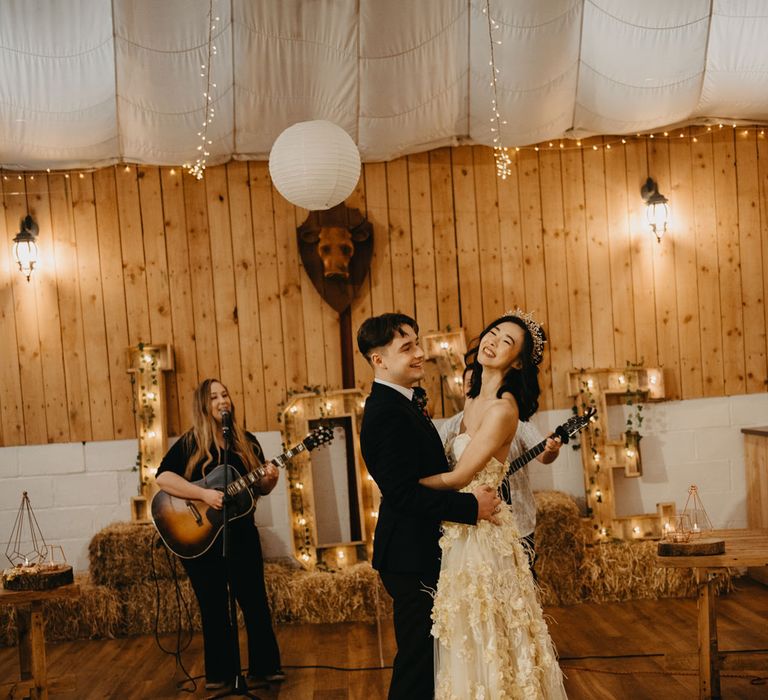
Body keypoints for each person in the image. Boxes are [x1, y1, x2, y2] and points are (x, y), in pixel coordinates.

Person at [420, 310, 567, 698]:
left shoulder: (504, 408)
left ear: (517, 361)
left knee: (489, 633)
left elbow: (460, 477)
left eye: (507, 342)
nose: (493, 341)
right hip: (459, 533)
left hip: (485, 539)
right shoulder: (472, 400)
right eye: (493, 332)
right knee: (465, 631)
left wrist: (406, 487)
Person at [357, 313, 501, 700]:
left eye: (418, 343)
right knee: (418, 663)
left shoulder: (404, 403)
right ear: (379, 360)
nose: (421, 354)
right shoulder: (384, 413)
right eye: (407, 348)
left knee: (435, 658)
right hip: (409, 555)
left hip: (423, 549)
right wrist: (471, 507)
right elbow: (402, 494)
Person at [155, 378, 283, 692]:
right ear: (203, 405)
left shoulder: (247, 442)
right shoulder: (190, 444)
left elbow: (259, 489)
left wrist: (270, 479)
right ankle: (221, 674)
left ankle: (264, 669)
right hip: (201, 540)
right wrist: (202, 496)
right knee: (213, 605)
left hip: (242, 533)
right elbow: (163, 478)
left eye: (225, 394)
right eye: (213, 397)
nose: (222, 400)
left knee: (254, 601)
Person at [438, 364, 562, 573]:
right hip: (472, 524)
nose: (475, 387)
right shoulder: (450, 426)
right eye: (470, 383)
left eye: (479, 382)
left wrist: (552, 450)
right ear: (463, 388)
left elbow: (544, 456)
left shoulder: (513, 417)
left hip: (518, 521)